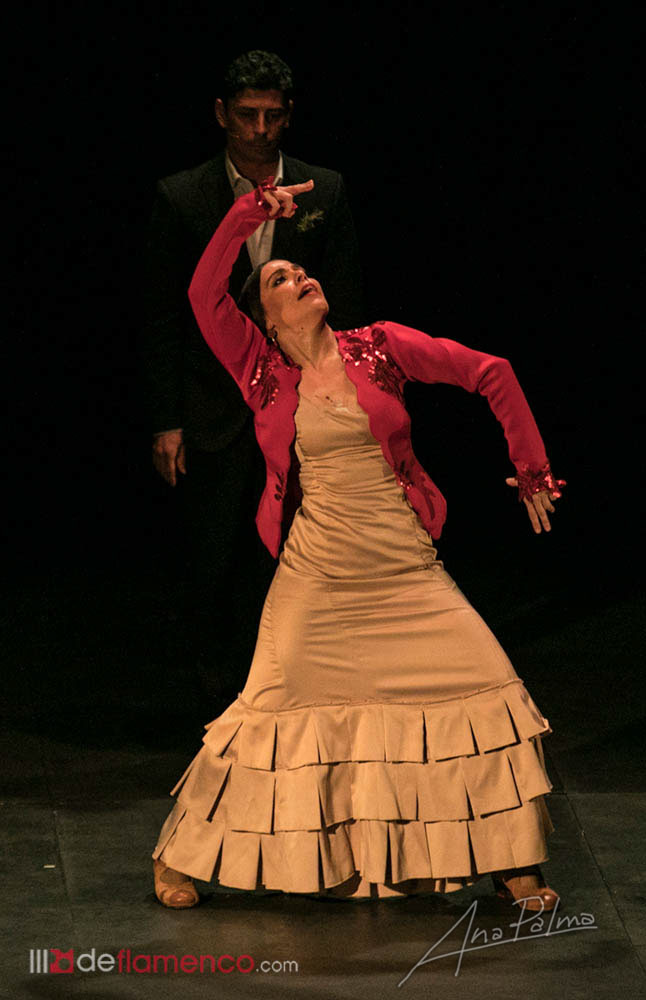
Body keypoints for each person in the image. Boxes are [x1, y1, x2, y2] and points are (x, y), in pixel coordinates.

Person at [151, 180, 566, 910]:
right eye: (280, 279)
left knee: (483, 690)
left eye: (301, 270)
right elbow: (201, 292)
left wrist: (531, 467)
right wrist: (251, 213)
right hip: (317, 577)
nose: (300, 277)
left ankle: (511, 862)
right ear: (264, 318)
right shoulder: (259, 371)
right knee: (269, 711)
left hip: (404, 569)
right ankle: (181, 856)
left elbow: (490, 372)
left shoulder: (378, 348)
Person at [143, 51, 363, 701]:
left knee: (299, 549)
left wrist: (343, 399)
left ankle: (294, 683)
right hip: (212, 399)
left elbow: (345, 303)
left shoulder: (324, 189)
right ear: (221, 114)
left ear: (288, 116)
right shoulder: (182, 196)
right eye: (247, 115)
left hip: (298, 401)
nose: (260, 129)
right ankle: (219, 694)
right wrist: (167, 419)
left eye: (272, 115)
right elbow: (162, 315)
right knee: (213, 554)